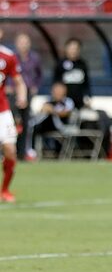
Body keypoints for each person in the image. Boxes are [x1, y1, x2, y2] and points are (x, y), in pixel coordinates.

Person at [0, 39, 28, 203]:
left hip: (2, 111)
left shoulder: (8, 56)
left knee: (10, 150)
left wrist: (22, 96)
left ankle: (5, 190)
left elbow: (19, 81)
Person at [14, 33, 43, 160]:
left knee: (26, 123)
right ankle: (9, 151)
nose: (23, 45)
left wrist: (35, 86)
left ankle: (22, 153)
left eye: (25, 42)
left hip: (28, 94)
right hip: (12, 94)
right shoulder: (12, 57)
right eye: (21, 42)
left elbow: (39, 74)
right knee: (13, 122)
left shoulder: (35, 58)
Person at [31, 81, 75, 156]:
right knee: (35, 127)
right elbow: (42, 112)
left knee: (49, 117)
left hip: (62, 126)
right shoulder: (48, 101)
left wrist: (52, 111)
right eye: (55, 90)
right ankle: (32, 151)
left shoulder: (68, 101)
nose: (56, 93)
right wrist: (45, 109)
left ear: (64, 91)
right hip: (47, 126)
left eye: (58, 90)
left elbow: (65, 113)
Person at [53, 38, 90, 110]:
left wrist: (88, 97)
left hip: (79, 100)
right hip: (64, 101)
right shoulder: (60, 64)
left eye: (76, 48)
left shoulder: (82, 64)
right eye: (71, 48)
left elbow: (86, 83)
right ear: (66, 49)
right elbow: (56, 83)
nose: (73, 51)